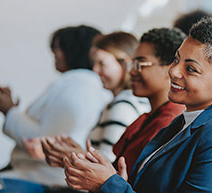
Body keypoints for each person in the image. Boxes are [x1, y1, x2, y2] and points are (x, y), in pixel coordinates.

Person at [63, 17, 212, 193]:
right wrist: (118, 180)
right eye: (177, 60)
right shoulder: (184, 122)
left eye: (191, 69)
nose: (174, 71)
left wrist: (110, 185)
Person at [0, 25, 111, 193]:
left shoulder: (78, 86)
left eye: (58, 48)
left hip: (47, 177)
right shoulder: (82, 85)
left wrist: (9, 111)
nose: (55, 53)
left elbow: (48, 141)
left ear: (73, 50)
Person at [41, 28, 186, 178]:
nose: (131, 72)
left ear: (170, 69)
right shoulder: (148, 118)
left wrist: (81, 159)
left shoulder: (168, 122)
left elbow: (130, 182)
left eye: (140, 64)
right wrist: (81, 157)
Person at [40, 32, 150, 168]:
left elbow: (108, 166)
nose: (95, 70)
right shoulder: (123, 102)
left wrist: (75, 155)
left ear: (125, 64)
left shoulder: (123, 106)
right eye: (94, 64)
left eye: (102, 64)